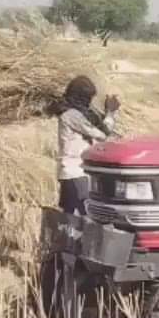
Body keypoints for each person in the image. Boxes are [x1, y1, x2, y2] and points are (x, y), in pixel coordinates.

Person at [52, 75, 120, 215]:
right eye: (87, 98)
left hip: (78, 172)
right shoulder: (71, 115)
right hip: (74, 172)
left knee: (72, 215)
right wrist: (110, 113)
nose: (89, 102)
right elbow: (102, 134)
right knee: (82, 214)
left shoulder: (77, 113)